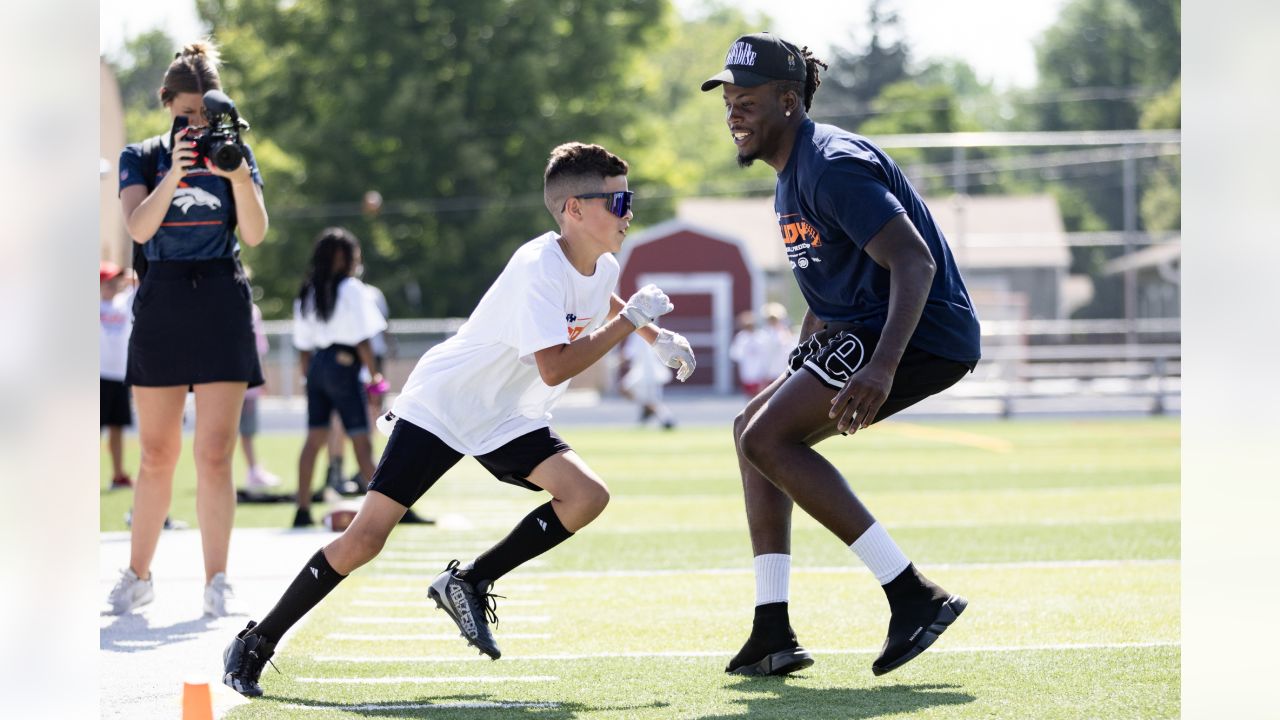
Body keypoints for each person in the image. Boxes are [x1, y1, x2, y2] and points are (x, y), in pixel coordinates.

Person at [222, 142, 695, 698]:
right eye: (619, 200)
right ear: (573, 209)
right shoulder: (536, 265)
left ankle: (469, 580)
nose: (629, 212)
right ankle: (257, 640)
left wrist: (651, 334)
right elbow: (554, 367)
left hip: (505, 414)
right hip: (446, 405)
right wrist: (632, 323)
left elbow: (600, 297)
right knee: (365, 539)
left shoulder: (603, 262)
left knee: (587, 496)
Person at [702, 33, 982, 677]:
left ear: (789, 100)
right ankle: (772, 628)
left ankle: (913, 593)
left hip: (922, 332)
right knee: (751, 429)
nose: (733, 113)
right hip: (863, 325)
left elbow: (914, 261)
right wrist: (799, 362)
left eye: (746, 100)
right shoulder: (789, 176)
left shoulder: (830, 163)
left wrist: (882, 367)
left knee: (770, 437)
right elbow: (829, 288)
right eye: (727, 101)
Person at [107, 39, 269, 618]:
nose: (195, 124)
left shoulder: (235, 154)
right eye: (185, 114)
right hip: (164, 298)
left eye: (205, 113)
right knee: (156, 452)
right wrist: (175, 172)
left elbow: (253, 235)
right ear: (167, 105)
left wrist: (239, 174)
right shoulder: (142, 156)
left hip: (221, 296)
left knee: (216, 452)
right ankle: (139, 572)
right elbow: (140, 229)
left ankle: (217, 578)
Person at [289, 227, 395, 528]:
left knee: (313, 440)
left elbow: (303, 346)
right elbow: (363, 339)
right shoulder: (351, 289)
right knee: (361, 440)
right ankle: (389, 508)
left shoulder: (308, 290)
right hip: (344, 364)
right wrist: (374, 378)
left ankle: (302, 508)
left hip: (317, 367)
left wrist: (307, 379)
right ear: (344, 256)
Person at [239, 299, 281, 492]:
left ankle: (253, 470)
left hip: (240, 381)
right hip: (244, 381)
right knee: (244, 432)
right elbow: (259, 348)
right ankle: (253, 471)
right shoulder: (250, 310)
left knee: (242, 432)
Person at [100, 261, 134, 490]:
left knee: (117, 428)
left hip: (120, 375)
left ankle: (118, 474)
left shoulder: (124, 304)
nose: (113, 285)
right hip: (98, 375)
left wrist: (130, 277)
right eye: (108, 281)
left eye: (116, 281)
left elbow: (139, 286)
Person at [619, 331, 676, 429]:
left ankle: (665, 419)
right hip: (646, 371)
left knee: (648, 399)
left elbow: (629, 353)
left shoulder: (638, 332)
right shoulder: (646, 331)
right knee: (649, 399)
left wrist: (617, 361)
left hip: (645, 372)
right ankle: (656, 415)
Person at [728, 310, 772, 397]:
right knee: (750, 397)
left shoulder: (762, 336)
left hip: (761, 372)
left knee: (761, 396)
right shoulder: (741, 337)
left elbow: (768, 353)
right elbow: (735, 355)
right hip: (748, 373)